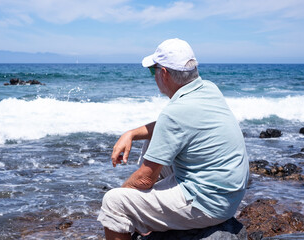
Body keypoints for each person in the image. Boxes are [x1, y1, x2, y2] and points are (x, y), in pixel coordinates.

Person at [97, 38, 249, 240]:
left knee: (113, 203)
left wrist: (126, 198)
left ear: (165, 73)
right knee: (153, 138)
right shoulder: (208, 88)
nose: (153, 76)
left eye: (153, 71)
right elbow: (169, 127)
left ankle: (143, 215)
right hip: (229, 194)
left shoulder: (176, 111)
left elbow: (145, 178)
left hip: (208, 204)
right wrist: (131, 133)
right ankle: (153, 214)